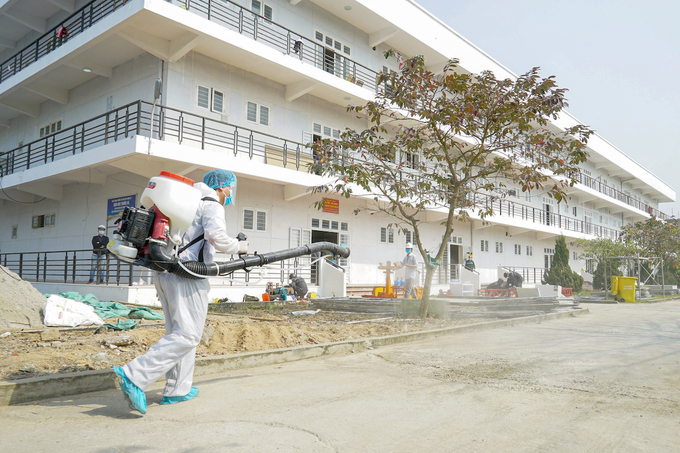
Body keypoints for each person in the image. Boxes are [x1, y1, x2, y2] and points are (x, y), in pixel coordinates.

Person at [113, 169, 248, 414]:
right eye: (230, 188)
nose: (229, 194)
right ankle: (134, 375)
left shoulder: (186, 201)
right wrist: (239, 246)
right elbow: (217, 237)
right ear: (222, 187)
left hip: (164, 273)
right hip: (188, 277)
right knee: (187, 335)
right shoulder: (211, 204)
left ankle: (178, 389)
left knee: (179, 333)